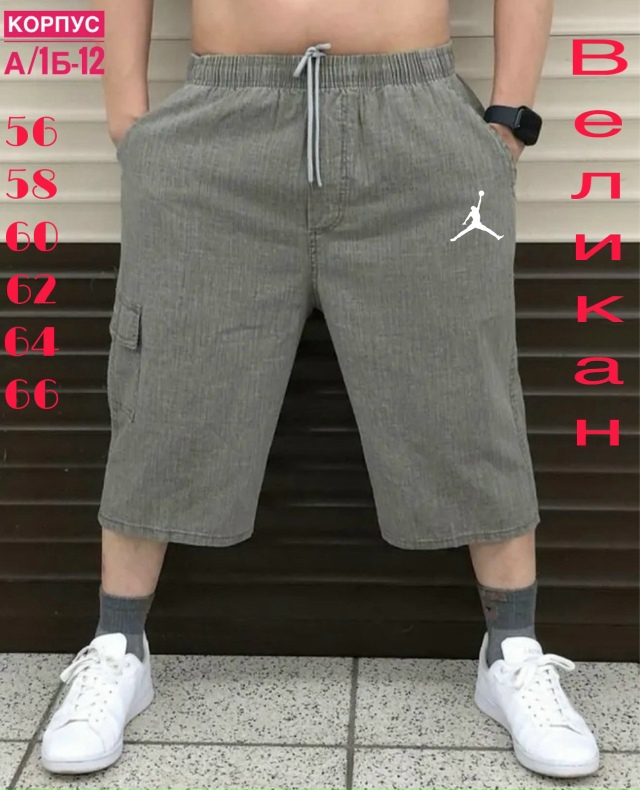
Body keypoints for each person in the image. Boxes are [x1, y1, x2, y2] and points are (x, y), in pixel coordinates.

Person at [41, 0, 600, 780]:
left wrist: (508, 120)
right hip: (222, 120)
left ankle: (512, 649)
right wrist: (127, 120)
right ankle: (116, 647)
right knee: (169, 382)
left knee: (463, 385)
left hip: (415, 118)